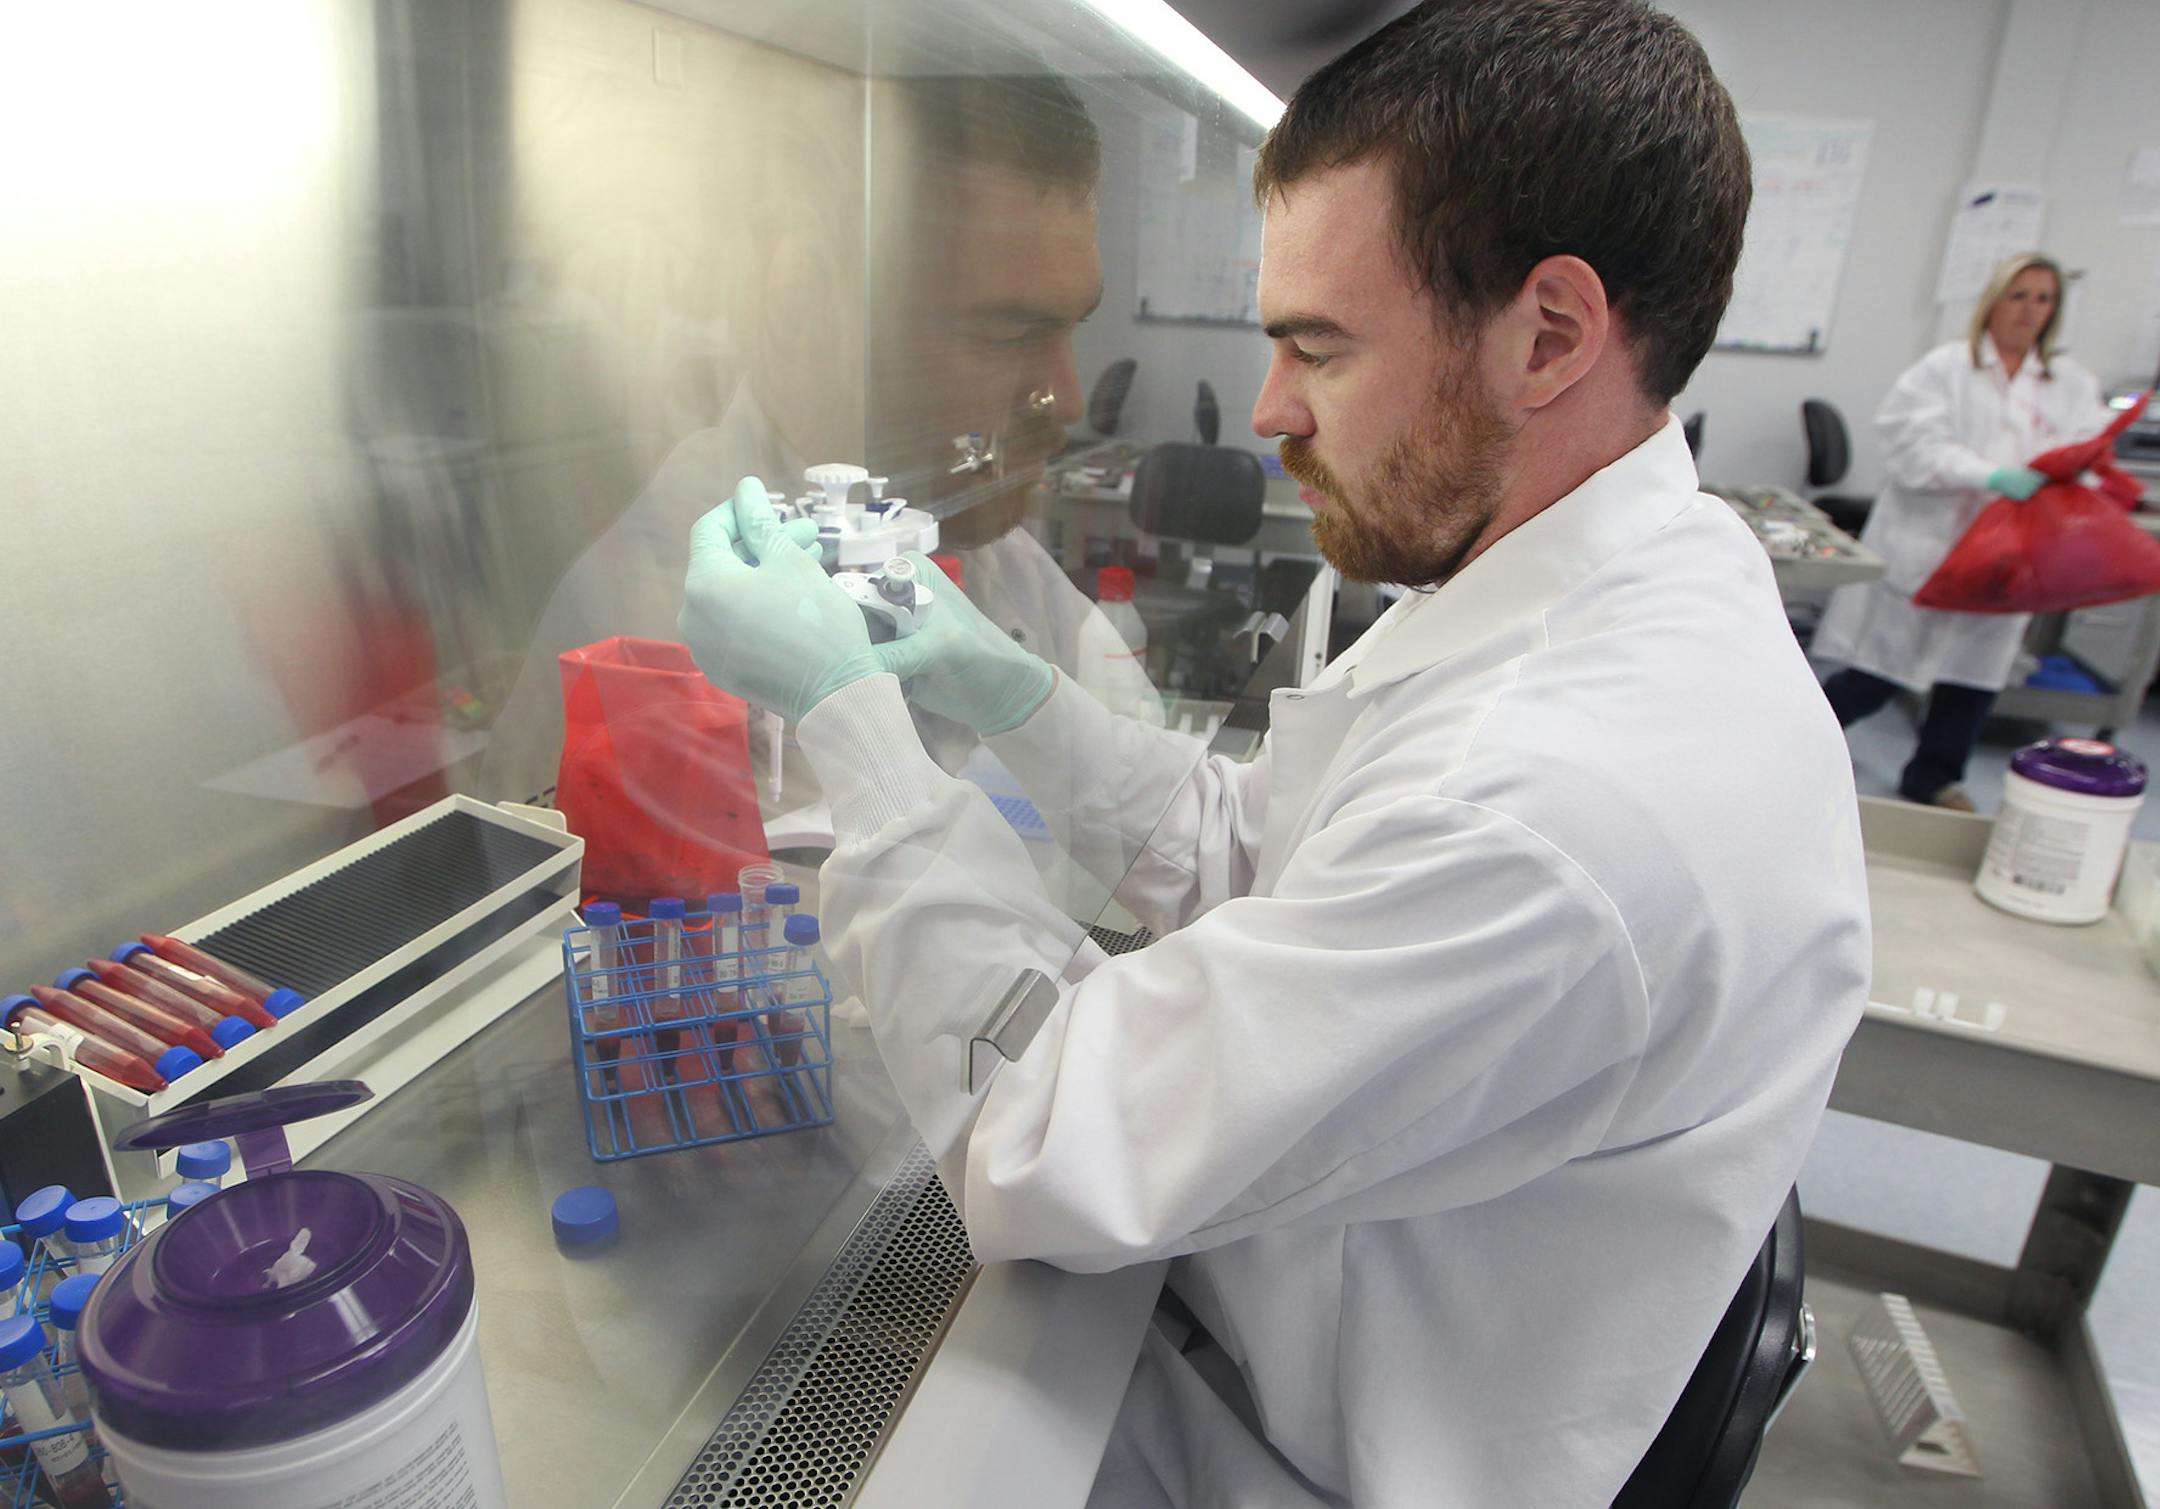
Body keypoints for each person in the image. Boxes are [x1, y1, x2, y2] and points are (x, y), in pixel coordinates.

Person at [677, 3, 1871, 1504]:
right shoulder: (1568, 587)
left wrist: (848, 720)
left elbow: (1051, 1136)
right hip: (1296, 1317)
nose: (1269, 408)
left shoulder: (1566, 802)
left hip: (1281, 1456)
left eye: (1321, 345)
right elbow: (1279, 859)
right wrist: (1004, 692)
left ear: (1550, 336)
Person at [1812, 253, 2115, 810]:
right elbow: (1911, 446)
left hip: (2008, 555)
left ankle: (1932, 778)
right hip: (1932, 546)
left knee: (1973, 675)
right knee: (1877, 670)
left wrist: (2075, 480)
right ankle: (1796, 749)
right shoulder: (1946, 369)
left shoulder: (2068, 383)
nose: (2030, 310)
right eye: (2019, 295)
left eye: (2043, 299)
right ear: (1994, 300)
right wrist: (1992, 476)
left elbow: (2090, 446)